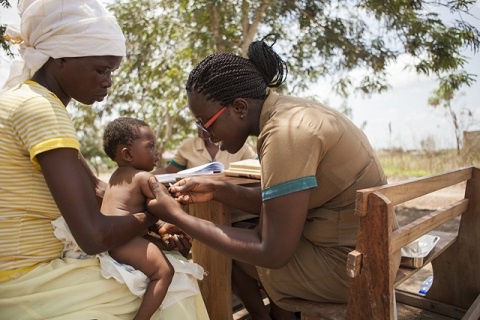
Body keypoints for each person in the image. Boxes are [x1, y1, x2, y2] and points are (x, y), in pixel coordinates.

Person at [145, 35, 401, 320]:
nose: (205, 133)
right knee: (238, 240)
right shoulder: (289, 113)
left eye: (205, 122)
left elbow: (271, 252)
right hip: (372, 251)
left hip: (352, 268)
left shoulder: (285, 133)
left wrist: (179, 218)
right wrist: (218, 189)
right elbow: (280, 204)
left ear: (239, 107)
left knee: (225, 255)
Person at [0, 1, 209, 319]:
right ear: (60, 56)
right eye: (101, 69)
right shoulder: (41, 109)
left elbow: (99, 191)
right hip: (23, 278)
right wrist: (154, 215)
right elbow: (93, 236)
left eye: (111, 70)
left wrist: (156, 228)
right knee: (178, 276)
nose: (109, 81)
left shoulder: (29, 100)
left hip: (19, 270)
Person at [154, 127, 256, 174]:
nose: (200, 127)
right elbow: (169, 171)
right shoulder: (188, 146)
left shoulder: (241, 147)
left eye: (204, 121)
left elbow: (259, 168)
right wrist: (142, 176)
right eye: (198, 122)